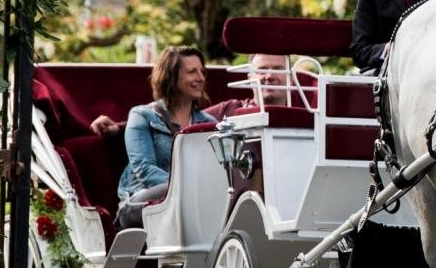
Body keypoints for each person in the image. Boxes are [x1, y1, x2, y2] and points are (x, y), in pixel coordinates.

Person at [113, 46, 216, 228]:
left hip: (194, 204)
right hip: (142, 202)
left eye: (202, 71)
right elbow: (144, 169)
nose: (200, 78)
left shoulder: (209, 123)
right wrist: (188, 189)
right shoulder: (142, 115)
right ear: (171, 76)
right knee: (171, 191)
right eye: (192, 72)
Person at [90, 53, 293, 137]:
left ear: (291, 77)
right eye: (262, 69)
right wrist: (119, 128)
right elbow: (180, 121)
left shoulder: (308, 117)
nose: (269, 76)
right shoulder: (230, 111)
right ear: (250, 76)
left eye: (278, 69)